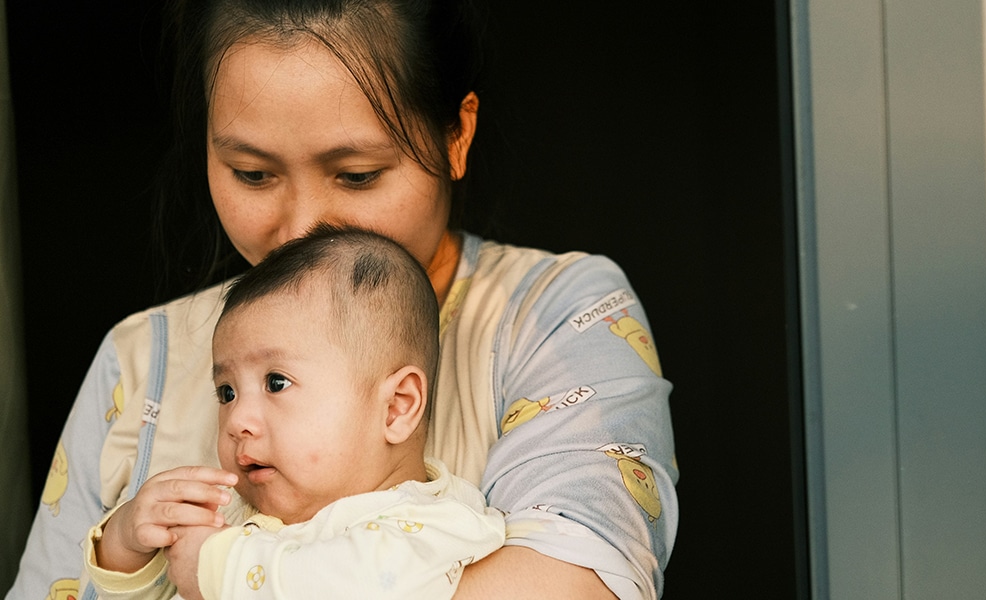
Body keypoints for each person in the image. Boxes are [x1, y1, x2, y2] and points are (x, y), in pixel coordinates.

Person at [8, 1, 678, 599]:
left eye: (356, 176)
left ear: (457, 136)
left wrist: (224, 570)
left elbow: (577, 585)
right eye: (252, 173)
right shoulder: (140, 358)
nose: (301, 229)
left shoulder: (556, 316)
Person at [81, 226, 506, 599]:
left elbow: (364, 588)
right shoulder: (231, 510)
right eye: (226, 392)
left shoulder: (436, 523)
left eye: (276, 383)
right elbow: (171, 582)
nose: (237, 420)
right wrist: (128, 540)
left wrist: (215, 566)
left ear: (396, 407)